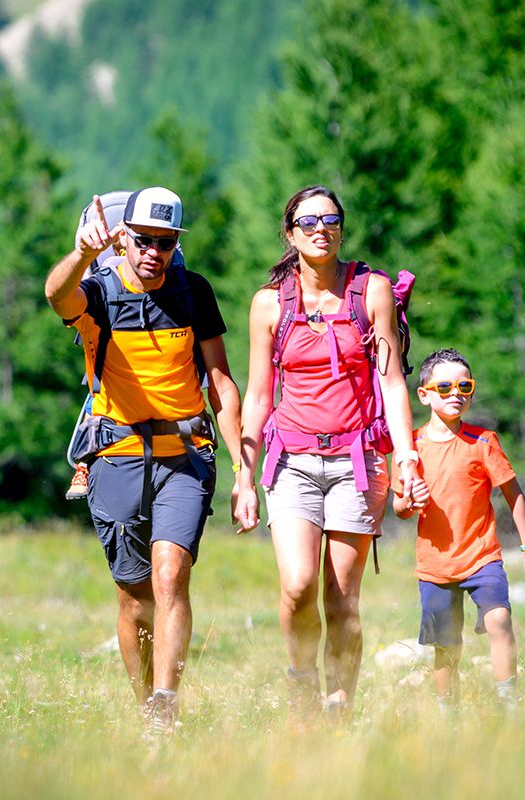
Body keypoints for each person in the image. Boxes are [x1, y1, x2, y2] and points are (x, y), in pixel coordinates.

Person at [44, 186, 244, 737]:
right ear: (124, 239)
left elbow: (221, 382)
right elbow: (57, 297)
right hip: (116, 456)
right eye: (143, 240)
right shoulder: (99, 291)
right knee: (135, 600)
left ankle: (164, 706)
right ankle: (145, 708)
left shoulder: (193, 291)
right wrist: (82, 254)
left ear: (177, 244)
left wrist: (244, 469)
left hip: (186, 456)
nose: (154, 251)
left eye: (166, 242)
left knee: (171, 574)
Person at [233, 185, 425, 720]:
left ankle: (339, 709)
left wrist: (407, 457)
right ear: (290, 233)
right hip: (291, 461)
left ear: (341, 227)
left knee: (342, 599)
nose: (322, 228)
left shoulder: (371, 291)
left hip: (357, 464)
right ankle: (301, 684)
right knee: (298, 586)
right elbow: (258, 395)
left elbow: (391, 382)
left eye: (331, 219)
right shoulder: (269, 303)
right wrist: (244, 476)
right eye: (309, 221)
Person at [392, 348, 525, 708]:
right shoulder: (409, 448)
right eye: (445, 387)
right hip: (435, 566)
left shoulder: (483, 442)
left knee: (499, 620)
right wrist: (410, 501)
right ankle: (449, 715)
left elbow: (514, 493)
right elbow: (399, 509)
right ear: (424, 395)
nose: (456, 394)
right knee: (446, 646)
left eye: (465, 386)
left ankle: (509, 705)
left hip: (482, 557)